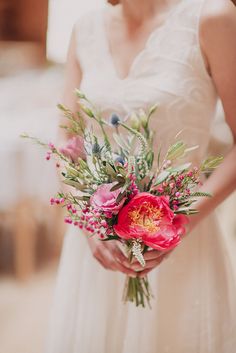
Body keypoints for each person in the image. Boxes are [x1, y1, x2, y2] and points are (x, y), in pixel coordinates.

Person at [45, 0, 236, 352]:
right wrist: (91, 227)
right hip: (98, 249)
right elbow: (65, 142)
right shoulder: (84, 28)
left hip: (183, 243)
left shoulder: (212, 15)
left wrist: (177, 224)